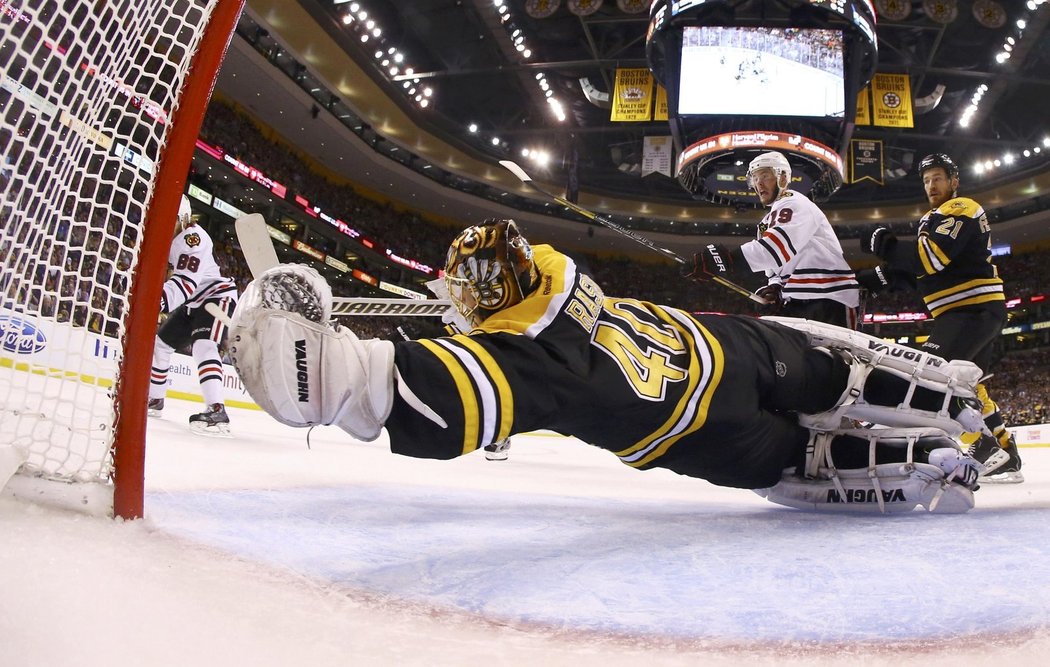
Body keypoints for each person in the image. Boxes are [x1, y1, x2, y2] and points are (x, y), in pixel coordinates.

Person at [228, 219, 986, 513]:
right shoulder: (564, 274)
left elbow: (335, 383)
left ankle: (935, 465)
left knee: (810, 456)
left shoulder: (526, 360)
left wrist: (275, 319)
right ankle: (958, 408)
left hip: (700, 431)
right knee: (840, 373)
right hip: (729, 343)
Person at [857, 153, 1021, 483]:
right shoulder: (933, 217)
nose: (931, 185)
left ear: (954, 181)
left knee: (929, 374)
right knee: (969, 387)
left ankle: (983, 444)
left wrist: (885, 244)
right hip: (970, 311)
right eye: (927, 180)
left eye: (938, 178)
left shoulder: (959, 209)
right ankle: (1006, 455)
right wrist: (876, 278)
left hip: (969, 310)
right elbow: (926, 274)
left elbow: (930, 258)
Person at [688, 151, 860, 328]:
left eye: (765, 175)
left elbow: (775, 249)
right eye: (754, 178)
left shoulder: (796, 203)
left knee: (838, 356)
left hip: (829, 299)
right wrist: (774, 289)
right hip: (796, 303)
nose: (758, 183)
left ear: (783, 178)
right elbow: (774, 270)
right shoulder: (765, 223)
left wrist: (725, 260)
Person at [147, 195, 239, 435]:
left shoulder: (192, 239)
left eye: (171, 219)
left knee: (204, 345)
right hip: (193, 302)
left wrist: (155, 302)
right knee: (160, 344)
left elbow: (184, 283)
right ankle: (155, 399)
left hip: (217, 297)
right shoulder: (170, 237)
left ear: (184, 218)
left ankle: (217, 409)